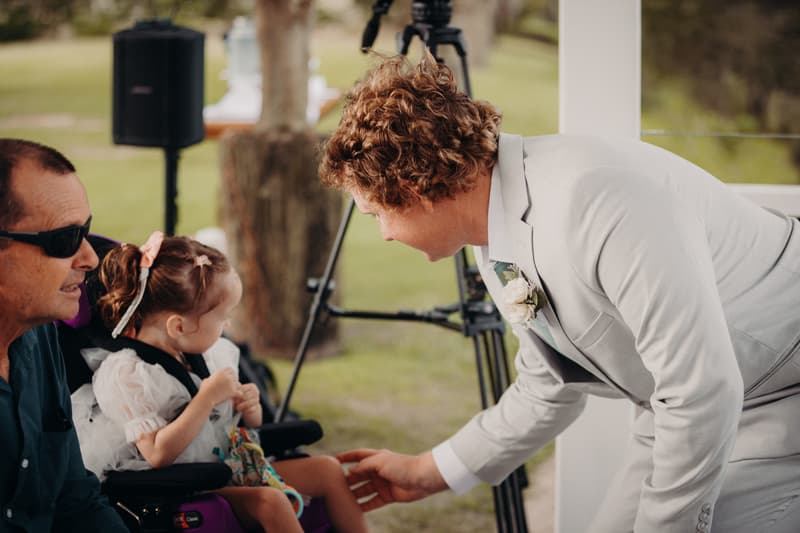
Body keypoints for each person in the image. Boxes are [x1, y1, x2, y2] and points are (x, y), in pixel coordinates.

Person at [318, 52, 800, 533]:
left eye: (376, 213)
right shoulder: (497, 228)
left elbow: (701, 390)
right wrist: (428, 472)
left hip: (779, 397)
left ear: (413, 187)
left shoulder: (594, 201)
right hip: (683, 408)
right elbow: (549, 385)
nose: (383, 233)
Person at [71, 232, 368, 533]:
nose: (227, 326)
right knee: (270, 503)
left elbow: (239, 427)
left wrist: (249, 408)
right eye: (222, 317)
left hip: (230, 466)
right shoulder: (129, 375)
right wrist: (206, 398)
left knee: (327, 470)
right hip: (184, 485)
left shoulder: (204, 356)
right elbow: (158, 454)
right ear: (179, 325)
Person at [0, 138, 128, 532]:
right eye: (64, 240)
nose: (90, 258)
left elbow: (77, 501)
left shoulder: (40, 338)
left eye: (85, 232)